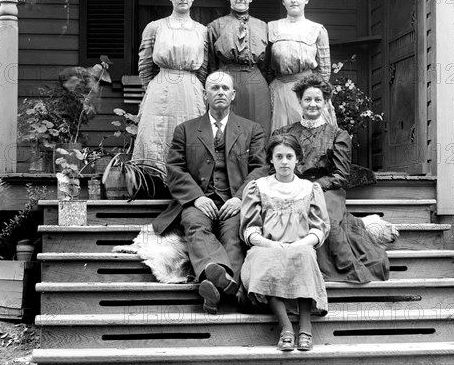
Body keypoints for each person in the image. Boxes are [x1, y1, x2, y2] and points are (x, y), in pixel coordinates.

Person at [151, 71, 267, 314]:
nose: (220, 92)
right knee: (194, 224)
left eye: (225, 88)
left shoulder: (251, 129)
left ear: (233, 95)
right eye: (214, 88)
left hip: (233, 201)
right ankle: (227, 282)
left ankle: (214, 284)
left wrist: (239, 198)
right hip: (198, 201)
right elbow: (174, 169)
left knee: (235, 234)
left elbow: (260, 169)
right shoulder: (186, 130)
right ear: (205, 95)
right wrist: (197, 197)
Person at [273, 74, 390, 283]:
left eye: (318, 100)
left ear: (325, 103)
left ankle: (325, 270)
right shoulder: (285, 132)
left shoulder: (338, 135)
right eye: (307, 99)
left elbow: (341, 175)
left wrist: (314, 186)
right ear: (299, 101)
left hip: (327, 189)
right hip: (291, 187)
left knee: (325, 219)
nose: (312, 104)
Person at [240, 134, 330, 351]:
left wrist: (300, 244)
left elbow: (320, 228)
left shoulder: (309, 189)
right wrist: (271, 245)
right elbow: (249, 228)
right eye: (278, 156)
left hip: (299, 245)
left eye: (289, 156)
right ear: (271, 159)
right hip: (268, 246)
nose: (284, 161)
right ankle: (286, 327)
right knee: (263, 259)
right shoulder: (258, 187)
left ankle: (306, 327)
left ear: (297, 159)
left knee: (305, 255)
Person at [132, 0, 208, 174]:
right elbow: (145, 63)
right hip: (161, 86)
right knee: (156, 133)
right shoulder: (155, 27)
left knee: (191, 134)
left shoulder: (202, 31)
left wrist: (197, 89)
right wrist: (150, 88)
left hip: (191, 88)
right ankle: (155, 181)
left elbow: (203, 68)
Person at [206, 0, 272, 139]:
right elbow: (211, 65)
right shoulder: (216, 26)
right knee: (228, 131)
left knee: (258, 132)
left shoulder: (263, 27)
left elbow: (267, 64)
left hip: (256, 83)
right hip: (226, 81)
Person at [268, 0, 336, 131]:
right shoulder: (272, 28)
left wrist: (312, 94)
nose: (293, 0)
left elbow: (324, 72)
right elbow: (267, 66)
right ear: (283, 1)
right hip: (279, 92)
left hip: (306, 92)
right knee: (282, 140)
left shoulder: (317, 30)